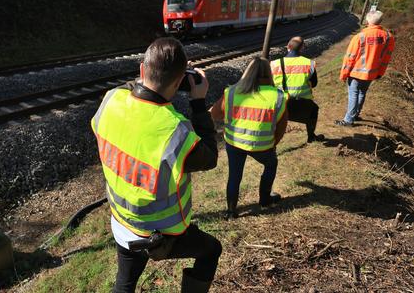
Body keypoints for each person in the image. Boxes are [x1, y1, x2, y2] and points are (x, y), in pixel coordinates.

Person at [91, 37, 222, 293]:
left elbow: (132, 88)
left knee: (125, 283)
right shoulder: (176, 131)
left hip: (121, 222)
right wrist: (197, 102)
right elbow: (210, 158)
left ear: (142, 71)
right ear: (178, 82)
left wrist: (162, 73)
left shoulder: (111, 100)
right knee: (211, 250)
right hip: (161, 235)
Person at [210, 58, 288, 219]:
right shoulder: (279, 97)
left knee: (234, 175)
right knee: (271, 164)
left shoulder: (231, 92)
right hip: (262, 146)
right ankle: (265, 199)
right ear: (268, 73)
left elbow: (215, 114)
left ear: (247, 72)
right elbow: (281, 129)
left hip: (234, 142)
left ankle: (231, 211)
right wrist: (272, 144)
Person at [336, 10, 395, 126]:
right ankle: (355, 114)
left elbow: (350, 57)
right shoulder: (388, 37)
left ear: (368, 21)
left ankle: (348, 120)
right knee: (362, 92)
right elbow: (386, 57)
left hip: (356, 72)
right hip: (373, 73)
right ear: (380, 21)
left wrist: (343, 74)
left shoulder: (360, 37)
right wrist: (380, 72)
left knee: (354, 94)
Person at [270, 36, 324, 143]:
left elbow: (270, 85)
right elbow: (314, 84)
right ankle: (311, 136)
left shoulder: (274, 64)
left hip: (281, 105)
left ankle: (272, 140)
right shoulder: (309, 63)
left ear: (288, 47)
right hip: (303, 105)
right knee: (314, 110)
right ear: (302, 48)